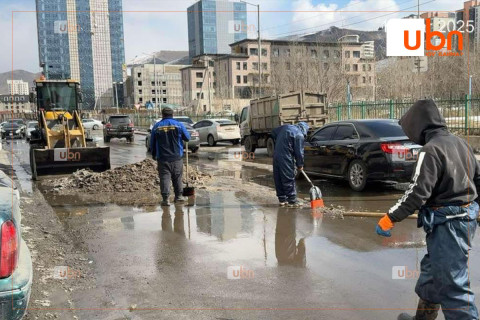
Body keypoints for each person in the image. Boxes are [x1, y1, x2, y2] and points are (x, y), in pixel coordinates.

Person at [375, 100, 480, 320]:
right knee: (431, 276)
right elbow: (477, 178)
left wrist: (391, 217)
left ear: (418, 126)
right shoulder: (461, 144)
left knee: (453, 287)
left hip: (448, 224)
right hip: (461, 219)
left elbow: (416, 192)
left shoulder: (430, 150)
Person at [150, 107, 190, 206]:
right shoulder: (179, 125)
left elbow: (152, 143)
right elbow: (187, 138)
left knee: (164, 178)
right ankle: (179, 197)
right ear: (172, 115)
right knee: (177, 177)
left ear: (162, 115)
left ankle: (165, 199)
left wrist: (154, 154)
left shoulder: (157, 126)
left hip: (163, 158)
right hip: (176, 157)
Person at [271, 122, 309, 207]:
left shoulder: (285, 127)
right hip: (286, 156)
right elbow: (299, 152)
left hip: (276, 155)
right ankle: (292, 200)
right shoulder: (299, 135)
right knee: (288, 177)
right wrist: (300, 165)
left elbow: (273, 132)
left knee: (279, 177)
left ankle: (282, 199)